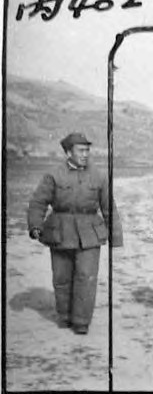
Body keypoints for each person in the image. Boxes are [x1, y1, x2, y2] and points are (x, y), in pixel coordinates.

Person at [27, 132, 123, 335]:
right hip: (59, 232)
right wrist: (35, 225)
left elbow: (109, 208)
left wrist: (116, 237)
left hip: (89, 234)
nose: (85, 154)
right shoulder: (53, 174)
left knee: (86, 277)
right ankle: (64, 316)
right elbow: (38, 202)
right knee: (61, 278)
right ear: (68, 152)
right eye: (81, 150)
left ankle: (81, 321)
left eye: (87, 150)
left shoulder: (99, 175)